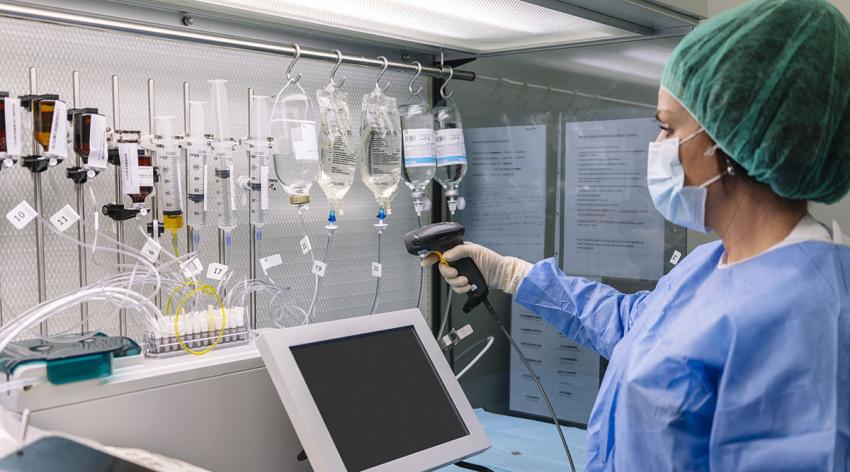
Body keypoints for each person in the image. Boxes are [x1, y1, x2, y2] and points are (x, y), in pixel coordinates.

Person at [423, 0, 850, 470]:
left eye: (667, 128)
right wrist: (511, 274)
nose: (657, 147)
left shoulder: (808, 319)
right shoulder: (714, 264)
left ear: (729, 143)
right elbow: (635, 328)